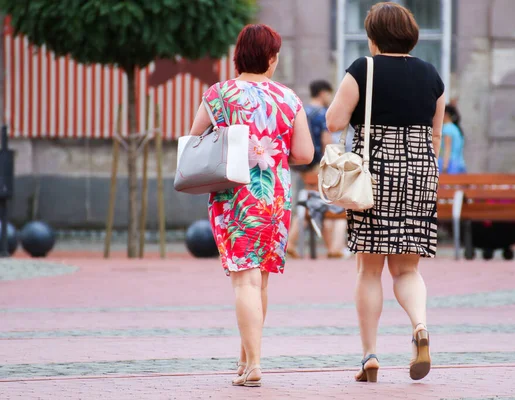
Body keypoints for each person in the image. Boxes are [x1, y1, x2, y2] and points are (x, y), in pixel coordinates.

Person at [188, 24, 313, 387]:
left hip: (234, 197)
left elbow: (195, 138)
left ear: (238, 55)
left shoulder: (219, 93)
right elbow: (304, 153)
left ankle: (254, 363)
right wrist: (271, 149)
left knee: (243, 279)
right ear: (271, 58)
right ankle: (245, 360)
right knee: (259, 282)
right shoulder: (289, 98)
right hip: (274, 196)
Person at [326, 2, 445, 382]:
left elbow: (333, 121)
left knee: (369, 268)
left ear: (373, 36)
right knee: (407, 267)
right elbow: (436, 134)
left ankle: (370, 356)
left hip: (374, 173)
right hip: (421, 171)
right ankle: (420, 328)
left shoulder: (364, 68)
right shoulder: (432, 75)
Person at [287, 80, 348, 258]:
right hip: (319, 166)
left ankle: (332, 248)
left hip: (302, 165)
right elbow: (327, 141)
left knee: (313, 203)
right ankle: (294, 242)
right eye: (329, 93)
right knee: (325, 204)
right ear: (322, 93)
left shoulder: (302, 111)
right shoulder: (322, 114)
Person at [439, 104, 466, 174]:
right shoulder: (456, 128)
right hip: (460, 164)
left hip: (451, 166)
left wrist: (444, 168)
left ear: (446, 114)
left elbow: (447, 149)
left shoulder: (447, 128)